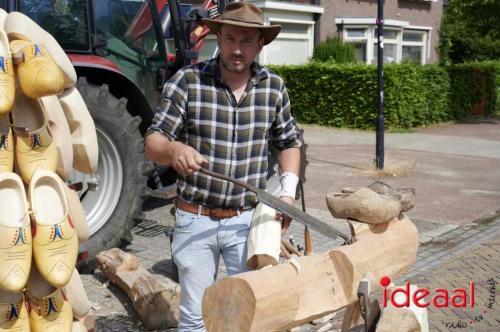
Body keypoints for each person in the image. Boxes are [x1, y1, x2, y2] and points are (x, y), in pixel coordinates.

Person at [145, 2, 301, 330]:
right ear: (218, 38)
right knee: (195, 316)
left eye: (247, 42)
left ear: (260, 44)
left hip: (247, 220)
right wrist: (174, 149)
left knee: (248, 313)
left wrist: (287, 194)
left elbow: (289, 143)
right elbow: (153, 142)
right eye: (230, 39)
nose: (237, 49)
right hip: (195, 219)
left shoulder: (273, 87)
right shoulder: (188, 81)